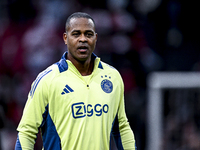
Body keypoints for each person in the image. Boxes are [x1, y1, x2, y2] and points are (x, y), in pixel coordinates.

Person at [15, 12, 137, 150]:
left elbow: (121, 127)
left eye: (89, 34)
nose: (83, 39)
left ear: (96, 38)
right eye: (76, 34)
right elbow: (26, 133)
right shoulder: (47, 80)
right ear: (65, 38)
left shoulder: (112, 76)